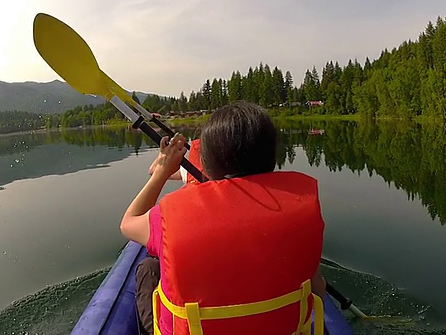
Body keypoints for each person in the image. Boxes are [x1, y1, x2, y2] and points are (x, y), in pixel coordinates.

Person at [120, 101, 326, 335]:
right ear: (273, 155)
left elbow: (128, 223)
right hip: (285, 329)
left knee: (148, 267)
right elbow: (317, 289)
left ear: (207, 162)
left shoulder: (168, 218)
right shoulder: (298, 207)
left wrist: (161, 172)